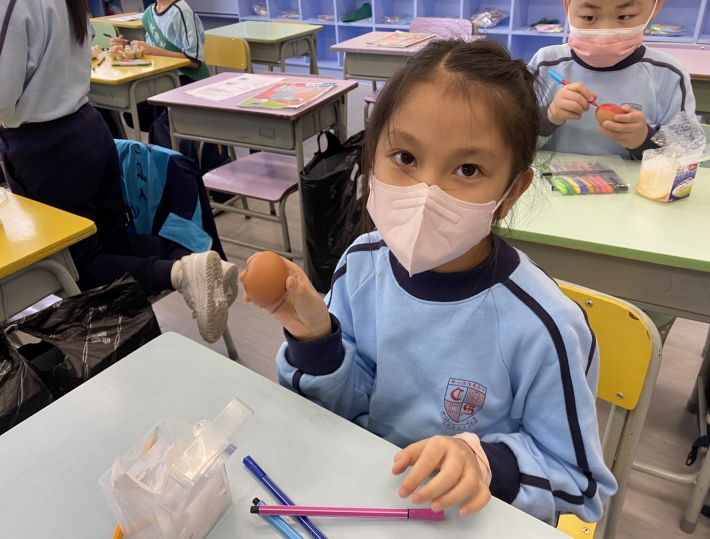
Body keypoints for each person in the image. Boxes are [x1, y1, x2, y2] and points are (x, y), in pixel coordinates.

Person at [240, 39, 617, 524]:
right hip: (367, 503)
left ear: (510, 193)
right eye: (405, 157)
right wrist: (316, 340)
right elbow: (339, 410)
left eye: (467, 169)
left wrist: (483, 463)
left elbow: (580, 482)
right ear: (371, 153)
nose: (426, 193)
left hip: (469, 520)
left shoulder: (546, 326)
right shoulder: (360, 266)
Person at [0, 0, 237, 343]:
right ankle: (201, 264)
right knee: (113, 241)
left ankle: (180, 272)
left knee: (78, 267)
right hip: (86, 126)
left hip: (45, 146)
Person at [530, 0, 698, 159]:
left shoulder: (668, 74)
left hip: (632, 181)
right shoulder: (545, 63)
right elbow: (515, 138)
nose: (605, 31)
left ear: (656, 6)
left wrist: (645, 140)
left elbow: (688, 152)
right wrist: (547, 117)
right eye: (589, 17)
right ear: (568, 6)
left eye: (624, 17)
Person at [110, 0, 210, 84]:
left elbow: (194, 61)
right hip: (161, 76)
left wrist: (153, 51)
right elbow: (150, 54)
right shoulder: (149, 13)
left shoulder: (181, 12)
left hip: (187, 79)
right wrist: (127, 47)